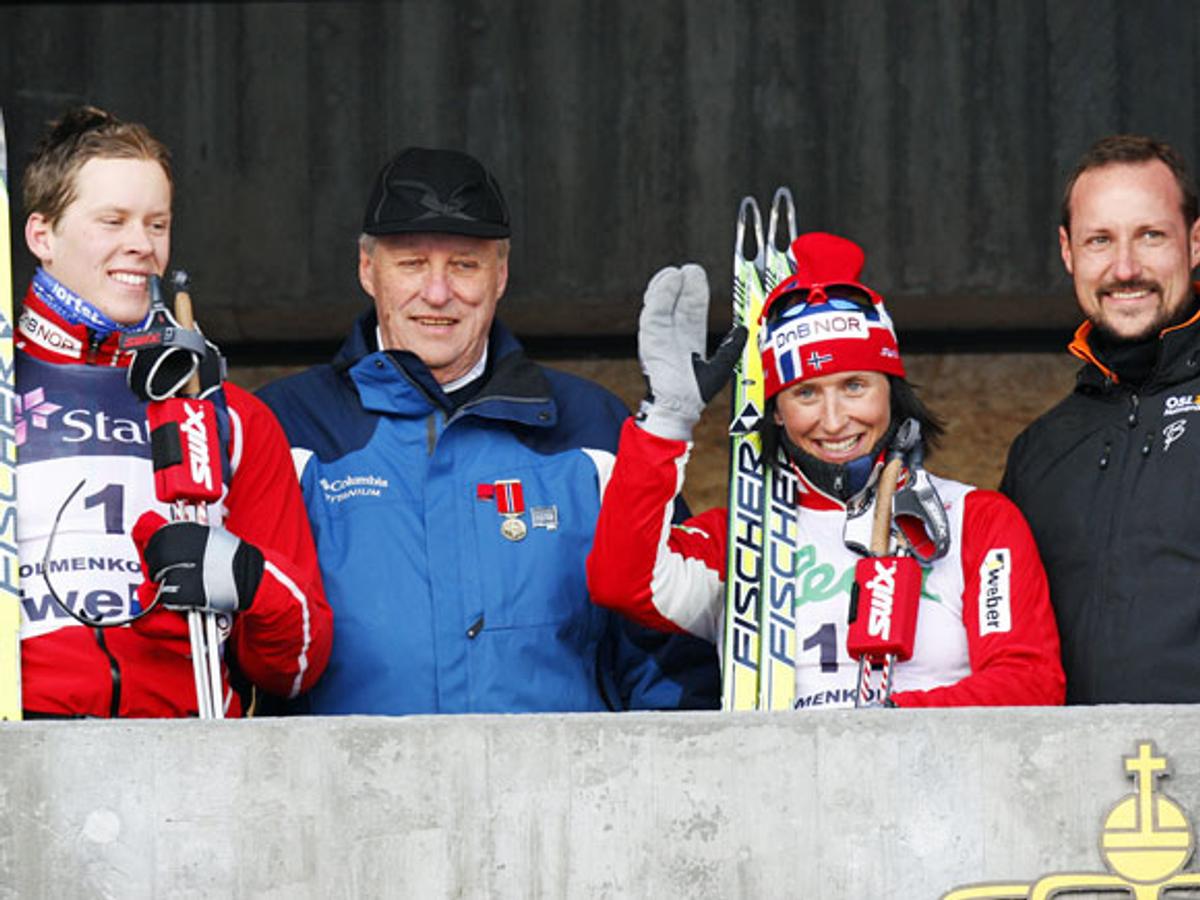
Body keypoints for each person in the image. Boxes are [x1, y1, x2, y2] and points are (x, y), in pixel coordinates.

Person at [258, 146, 720, 714]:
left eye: (464, 265)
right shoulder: (285, 430)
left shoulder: (594, 430)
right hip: (345, 772)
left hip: (560, 773)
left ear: (500, 275)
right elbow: (243, 652)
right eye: (411, 263)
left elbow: (672, 653)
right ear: (366, 269)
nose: (437, 293)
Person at [587, 232, 1065, 708]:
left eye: (854, 386)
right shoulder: (738, 540)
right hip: (785, 759)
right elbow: (620, 582)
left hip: (931, 756)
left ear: (891, 390)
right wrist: (666, 420)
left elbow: (1030, 681)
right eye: (806, 393)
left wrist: (882, 726)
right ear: (777, 411)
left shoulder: (976, 520)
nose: (834, 421)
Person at [17, 105, 331, 717]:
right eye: (113, 221)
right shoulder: (6, 394)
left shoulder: (228, 417)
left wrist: (248, 580)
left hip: (185, 748)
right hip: (24, 748)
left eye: (156, 224)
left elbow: (299, 666)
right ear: (41, 235)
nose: (142, 245)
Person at [1001, 134, 1200, 704]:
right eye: (1100, 240)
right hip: (1072, 761)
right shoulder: (1038, 453)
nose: (1125, 268)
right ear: (1068, 251)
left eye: (1151, 235)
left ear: (1194, 242)